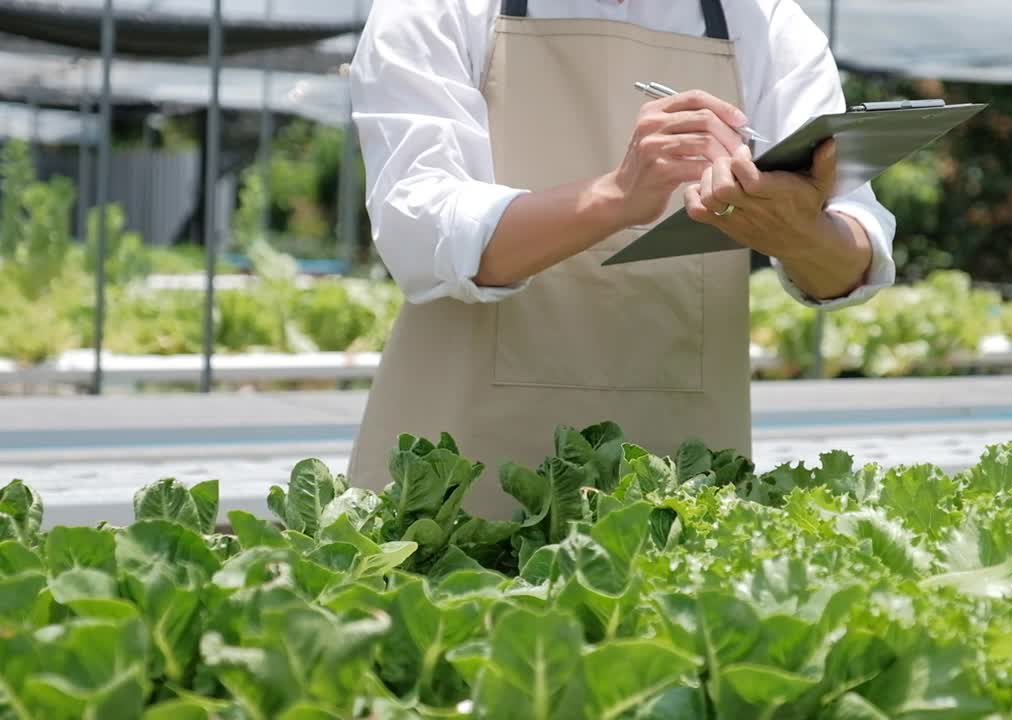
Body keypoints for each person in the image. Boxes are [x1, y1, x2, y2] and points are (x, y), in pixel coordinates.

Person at [346, 0, 897, 516]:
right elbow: (418, 231)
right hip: (461, 485)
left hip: (678, 484)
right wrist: (617, 197)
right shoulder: (438, 9)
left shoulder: (767, 22)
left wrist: (802, 232)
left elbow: (849, 261)